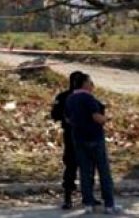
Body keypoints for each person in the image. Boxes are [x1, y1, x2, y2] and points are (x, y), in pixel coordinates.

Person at [65, 73, 123, 214]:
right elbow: (97, 117)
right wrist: (106, 119)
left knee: (85, 172)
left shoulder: (70, 99)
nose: (92, 85)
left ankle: (88, 204)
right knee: (104, 171)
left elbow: (67, 119)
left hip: (78, 138)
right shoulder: (89, 98)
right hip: (95, 138)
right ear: (84, 83)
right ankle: (109, 204)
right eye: (90, 82)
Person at [50, 70, 86, 209]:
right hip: (71, 134)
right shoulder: (64, 96)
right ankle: (68, 196)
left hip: (85, 133)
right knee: (71, 164)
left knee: (86, 166)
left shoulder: (86, 96)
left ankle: (86, 196)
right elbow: (54, 114)